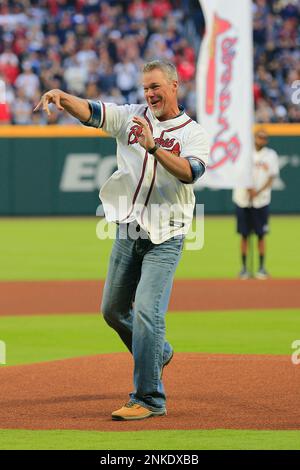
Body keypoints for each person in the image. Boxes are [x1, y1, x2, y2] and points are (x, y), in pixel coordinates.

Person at [34, 60, 209, 421]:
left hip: (166, 235)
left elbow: (190, 173)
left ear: (174, 86)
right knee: (113, 310)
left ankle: (149, 397)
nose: (150, 93)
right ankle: (157, 353)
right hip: (128, 229)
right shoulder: (131, 116)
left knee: (147, 310)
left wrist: (155, 148)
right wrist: (63, 97)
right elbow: (94, 112)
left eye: (156, 86)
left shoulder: (194, 133)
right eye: (146, 87)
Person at [232, 129, 279, 280]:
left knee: (261, 235)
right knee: (244, 235)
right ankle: (244, 268)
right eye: (260, 137)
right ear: (255, 138)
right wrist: (248, 187)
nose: (262, 140)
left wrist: (257, 192)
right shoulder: (244, 153)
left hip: (261, 201)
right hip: (243, 199)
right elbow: (237, 173)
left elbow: (272, 177)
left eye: (264, 138)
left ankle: (261, 268)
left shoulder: (270, 155)